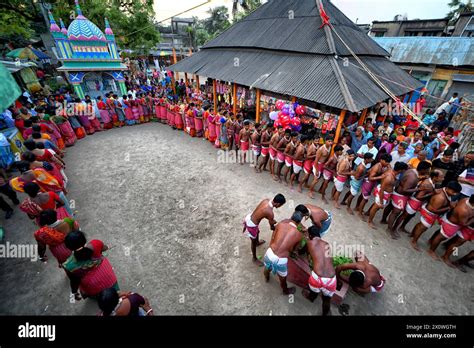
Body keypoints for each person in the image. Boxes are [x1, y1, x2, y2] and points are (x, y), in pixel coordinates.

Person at [63, 230, 118, 300]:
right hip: (111, 279)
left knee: (85, 289)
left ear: (68, 247)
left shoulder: (68, 265)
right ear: (84, 240)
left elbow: (74, 282)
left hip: (96, 289)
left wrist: (74, 292)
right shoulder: (95, 244)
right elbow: (105, 248)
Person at [385, 161, 432, 239]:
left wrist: (421, 178)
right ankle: (389, 229)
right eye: (427, 169)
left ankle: (384, 220)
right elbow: (405, 189)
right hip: (401, 195)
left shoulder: (413, 171)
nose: (428, 171)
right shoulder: (412, 177)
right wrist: (419, 189)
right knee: (396, 212)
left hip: (398, 192)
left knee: (391, 206)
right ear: (423, 169)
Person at [410, 181, 461, 251]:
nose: (455, 194)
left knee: (420, 225)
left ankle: (412, 235)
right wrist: (449, 207)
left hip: (431, 212)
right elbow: (434, 210)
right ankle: (414, 241)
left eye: (456, 193)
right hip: (430, 213)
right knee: (422, 227)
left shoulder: (445, 192)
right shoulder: (440, 198)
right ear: (448, 188)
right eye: (454, 192)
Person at [263, 211, 304, 295]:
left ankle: (266, 278)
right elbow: (293, 250)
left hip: (270, 252)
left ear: (291, 217)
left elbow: (273, 237)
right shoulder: (299, 235)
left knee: (267, 267)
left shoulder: (280, 224)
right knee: (282, 277)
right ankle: (285, 290)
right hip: (281, 260)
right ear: (299, 222)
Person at [301, 226, 335, 316]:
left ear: (310, 235)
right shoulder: (327, 243)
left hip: (317, 277)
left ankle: (311, 298)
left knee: (313, 292)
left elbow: (301, 252)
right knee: (327, 300)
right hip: (331, 279)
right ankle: (325, 313)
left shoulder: (310, 243)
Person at [242, 194, 286, 263]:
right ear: (278, 203)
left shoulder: (266, 201)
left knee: (257, 232)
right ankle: (254, 258)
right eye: (280, 205)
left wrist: (271, 220)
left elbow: (263, 212)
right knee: (253, 242)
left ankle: (257, 242)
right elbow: (271, 227)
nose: (280, 206)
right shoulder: (270, 213)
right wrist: (274, 226)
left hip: (250, 217)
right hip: (252, 225)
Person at [427, 193, 472, 260]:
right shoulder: (464, 210)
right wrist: (472, 219)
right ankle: (431, 251)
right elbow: (463, 223)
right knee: (441, 237)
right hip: (452, 224)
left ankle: (431, 241)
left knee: (441, 233)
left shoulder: (466, 199)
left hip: (451, 220)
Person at [367, 162, 408, 230]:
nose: (404, 171)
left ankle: (368, 215)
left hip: (386, 193)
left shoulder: (392, 172)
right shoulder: (389, 177)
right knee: (376, 207)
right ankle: (370, 221)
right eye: (404, 170)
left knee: (376, 206)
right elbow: (382, 190)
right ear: (400, 170)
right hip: (383, 193)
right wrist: (381, 202)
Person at [356, 153, 391, 220]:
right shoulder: (377, 167)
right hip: (369, 182)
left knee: (363, 196)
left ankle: (357, 208)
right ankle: (359, 213)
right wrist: (380, 177)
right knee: (365, 199)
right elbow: (370, 178)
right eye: (386, 162)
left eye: (388, 162)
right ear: (382, 160)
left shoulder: (382, 165)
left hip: (372, 183)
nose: (387, 163)